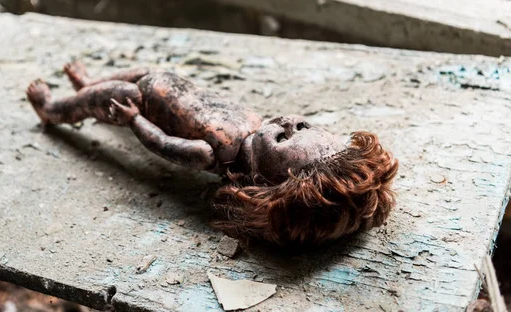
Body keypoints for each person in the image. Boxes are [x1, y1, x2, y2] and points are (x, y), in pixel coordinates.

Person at [26, 61, 398, 246]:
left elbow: (162, 145)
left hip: (146, 103)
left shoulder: (212, 154)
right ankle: (91, 81)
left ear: (266, 181)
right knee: (129, 75)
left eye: (284, 138)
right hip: (169, 83)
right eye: (303, 126)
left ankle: (52, 108)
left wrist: (135, 119)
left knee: (99, 98)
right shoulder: (254, 126)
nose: (289, 121)